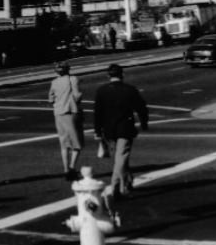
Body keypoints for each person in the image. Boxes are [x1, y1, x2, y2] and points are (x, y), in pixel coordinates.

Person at [93, 64, 148, 198]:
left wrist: (97, 131)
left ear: (108, 75)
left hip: (109, 130)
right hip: (125, 127)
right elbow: (141, 108)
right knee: (121, 157)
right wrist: (144, 123)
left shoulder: (101, 91)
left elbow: (97, 113)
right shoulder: (130, 90)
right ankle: (116, 186)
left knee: (119, 157)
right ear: (122, 75)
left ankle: (127, 181)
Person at [48, 61, 84, 180]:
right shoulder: (73, 79)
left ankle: (65, 169)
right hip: (71, 110)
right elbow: (77, 95)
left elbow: (51, 98)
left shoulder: (54, 82)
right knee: (76, 142)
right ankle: (72, 167)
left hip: (58, 112)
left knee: (64, 143)